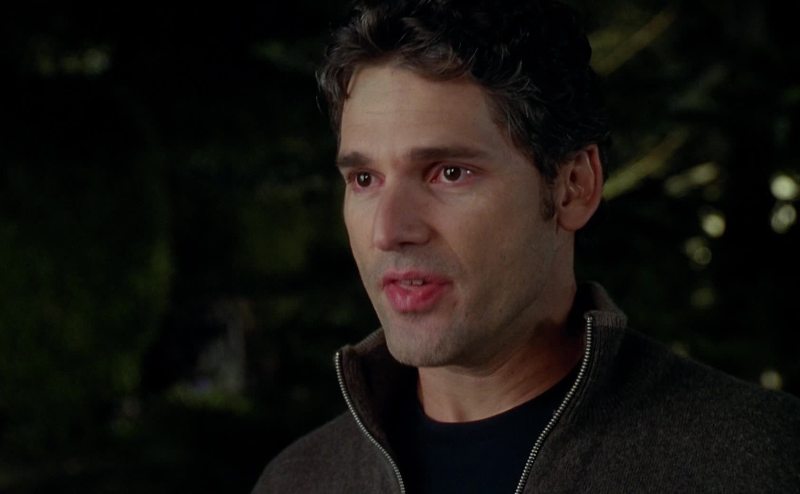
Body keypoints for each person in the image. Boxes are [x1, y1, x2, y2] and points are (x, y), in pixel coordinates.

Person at [253, 0, 800, 492]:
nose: (388, 230)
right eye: (364, 180)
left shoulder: (758, 460)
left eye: (449, 172)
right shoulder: (298, 480)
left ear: (573, 187)